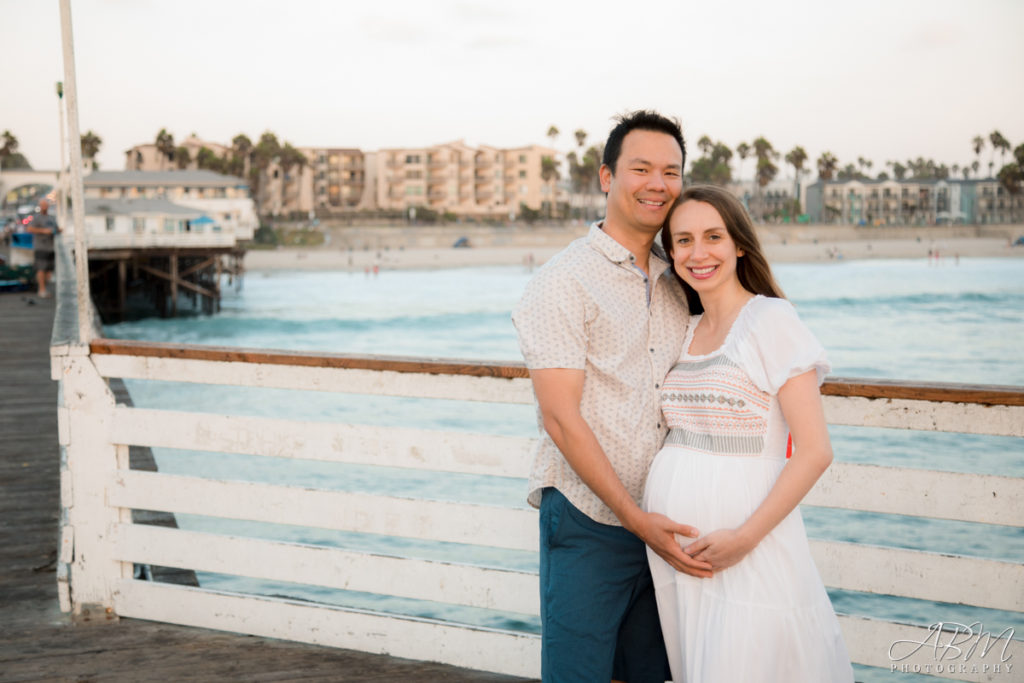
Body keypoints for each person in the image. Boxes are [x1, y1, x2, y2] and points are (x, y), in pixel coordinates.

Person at [512, 110, 711, 683]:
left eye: (671, 171)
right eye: (641, 168)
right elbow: (559, 416)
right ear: (606, 177)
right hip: (589, 518)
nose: (658, 184)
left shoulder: (683, 277)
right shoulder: (562, 280)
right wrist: (633, 518)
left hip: (670, 521)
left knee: (656, 673)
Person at [643, 185, 853, 682]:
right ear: (670, 254)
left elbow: (815, 451)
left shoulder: (770, 320)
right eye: (684, 240)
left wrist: (743, 539)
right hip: (681, 556)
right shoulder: (685, 329)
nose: (699, 253)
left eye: (713, 236)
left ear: (739, 244)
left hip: (747, 541)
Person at [26, 199, 60, 298]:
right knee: (41, 269)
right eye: (43, 205)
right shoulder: (37, 218)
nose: (44, 207)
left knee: (48, 270)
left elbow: (56, 229)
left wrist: (58, 231)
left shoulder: (52, 218)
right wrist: (44, 231)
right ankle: (41, 290)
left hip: (51, 247)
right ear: (40, 206)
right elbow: (29, 229)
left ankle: (45, 288)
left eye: (46, 205)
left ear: (48, 206)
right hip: (40, 247)